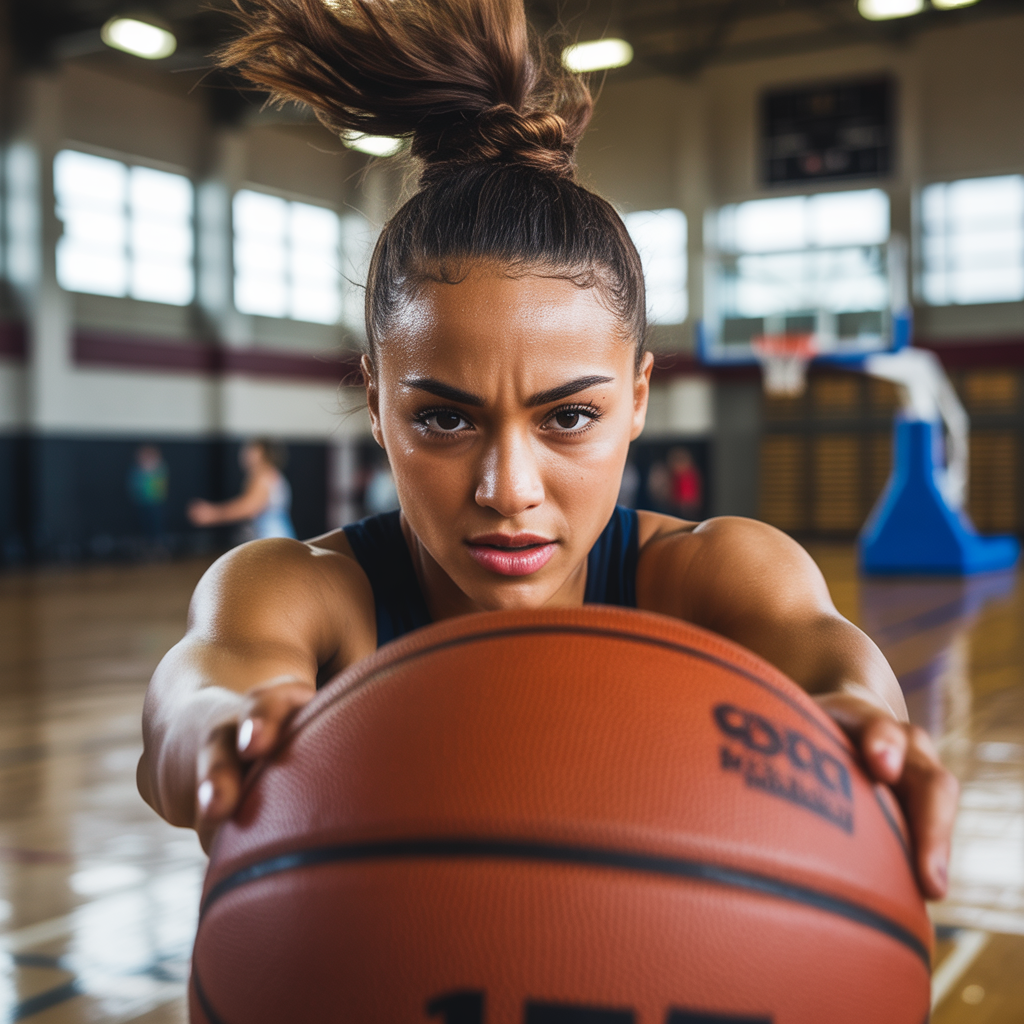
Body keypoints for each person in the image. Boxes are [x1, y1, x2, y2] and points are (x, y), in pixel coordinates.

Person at [138, 0, 957, 900]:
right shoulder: (302, 592)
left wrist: (851, 732)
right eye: (445, 420)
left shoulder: (718, 578)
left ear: (637, 398)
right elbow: (199, 688)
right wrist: (223, 726)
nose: (507, 489)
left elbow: (834, 665)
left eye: (568, 418)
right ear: (376, 402)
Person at [188, 439, 296, 541]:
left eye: (251, 450)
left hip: (272, 542)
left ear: (263, 454)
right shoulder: (269, 474)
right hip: (273, 540)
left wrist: (211, 514)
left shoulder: (264, 476)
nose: (245, 454)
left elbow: (248, 508)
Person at [129, 445, 169, 553]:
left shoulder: (160, 468)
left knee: (156, 527)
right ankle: (146, 549)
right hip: (142, 504)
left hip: (156, 503)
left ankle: (158, 548)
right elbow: (134, 486)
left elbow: (160, 487)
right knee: (144, 527)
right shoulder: (137, 470)